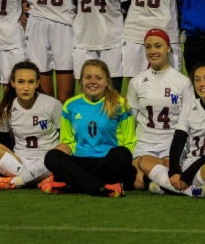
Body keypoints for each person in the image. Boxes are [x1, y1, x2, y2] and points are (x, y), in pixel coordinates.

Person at [138, 61, 205, 198]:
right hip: (190, 162)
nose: (201, 83)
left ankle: (168, 187)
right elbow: (178, 140)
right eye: (197, 80)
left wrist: (188, 175)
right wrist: (174, 171)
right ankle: (193, 191)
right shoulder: (189, 106)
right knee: (144, 161)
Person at [42, 59, 136, 197]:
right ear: (81, 81)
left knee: (123, 154)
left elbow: (129, 141)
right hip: (81, 162)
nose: (93, 81)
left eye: (98, 78)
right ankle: (99, 187)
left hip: (108, 162)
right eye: (88, 77)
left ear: (107, 81)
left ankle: (76, 185)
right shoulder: (70, 105)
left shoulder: (120, 104)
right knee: (51, 157)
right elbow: (67, 141)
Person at [127, 28, 194, 190]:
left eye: (158, 46)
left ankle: (160, 182)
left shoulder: (182, 82)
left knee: (165, 166)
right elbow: (132, 117)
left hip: (171, 142)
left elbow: (188, 119)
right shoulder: (136, 82)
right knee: (137, 182)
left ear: (168, 48)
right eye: (148, 47)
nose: (153, 51)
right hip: (145, 143)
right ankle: (165, 183)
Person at [0, 61, 63, 189]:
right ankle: (39, 179)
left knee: (65, 147)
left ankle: (16, 182)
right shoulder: (6, 110)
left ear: (37, 83)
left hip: (47, 160)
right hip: (20, 163)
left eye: (30, 82)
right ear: (13, 83)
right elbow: (5, 144)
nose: (26, 87)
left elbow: (63, 136)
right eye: (21, 82)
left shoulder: (53, 105)